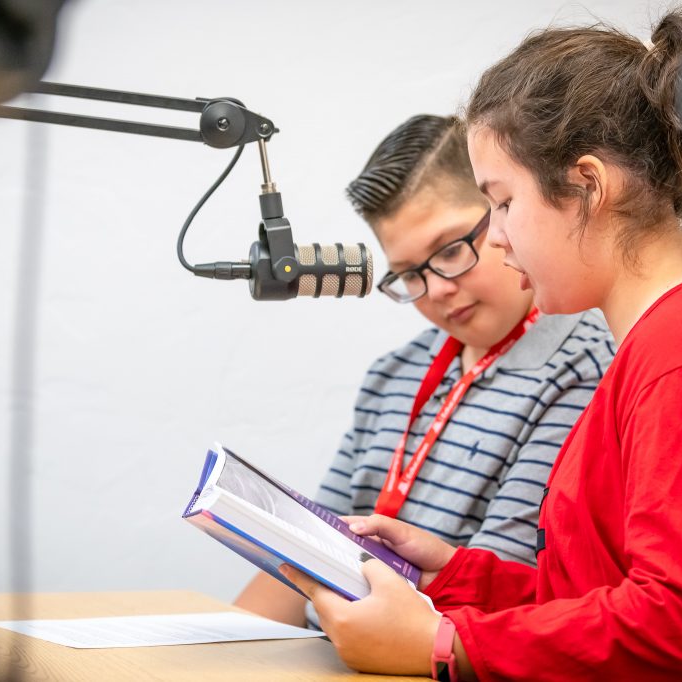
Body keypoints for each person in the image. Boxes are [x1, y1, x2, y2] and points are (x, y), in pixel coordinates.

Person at [279, 6, 682, 680]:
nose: (497, 237)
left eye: (502, 202)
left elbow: (678, 627)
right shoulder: (660, 343)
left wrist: (446, 647)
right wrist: (452, 576)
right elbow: (596, 601)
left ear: (587, 187)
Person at [234, 114, 615, 628]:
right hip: (336, 647)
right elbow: (307, 547)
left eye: (452, 251)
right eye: (409, 274)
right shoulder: (394, 375)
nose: (435, 290)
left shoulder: (581, 368)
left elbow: (506, 585)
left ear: (503, 218)